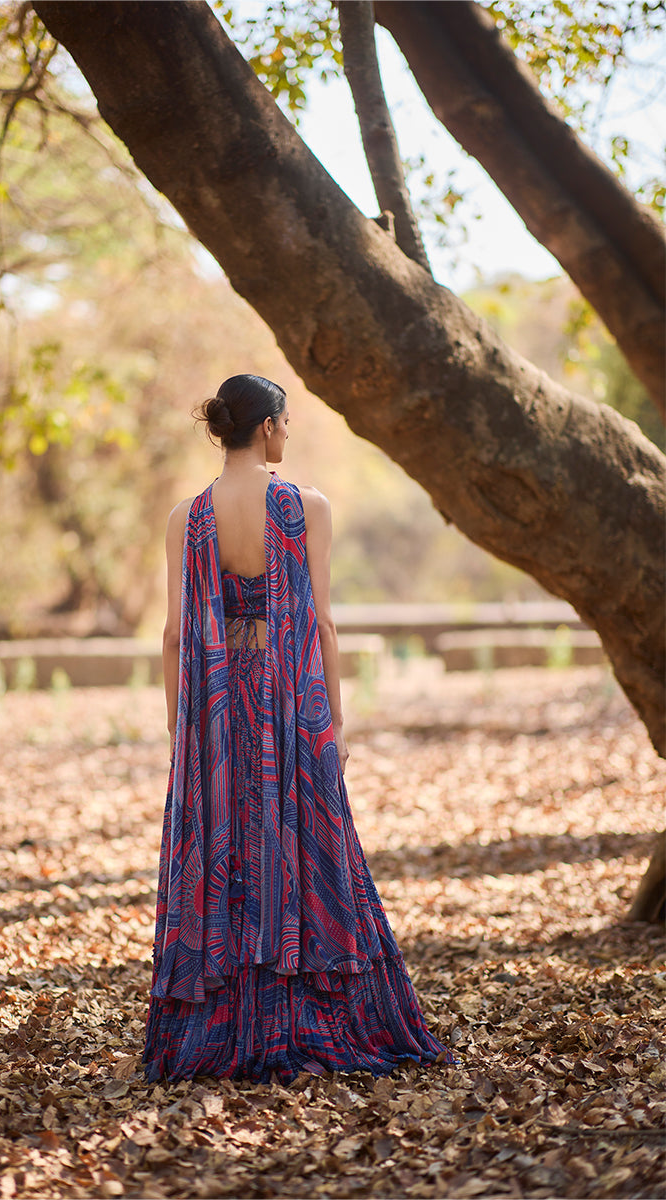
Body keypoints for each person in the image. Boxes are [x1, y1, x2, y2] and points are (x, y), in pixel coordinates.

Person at [142, 374, 455, 1083]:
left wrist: (178, 731)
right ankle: (317, 1017)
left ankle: (218, 1029)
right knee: (307, 844)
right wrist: (336, 720)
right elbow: (323, 622)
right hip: (289, 699)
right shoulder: (305, 506)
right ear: (266, 427)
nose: (289, 433)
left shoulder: (184, 517)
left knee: (226, 850)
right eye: (285, 421)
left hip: (215, 709)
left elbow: (172, 635)